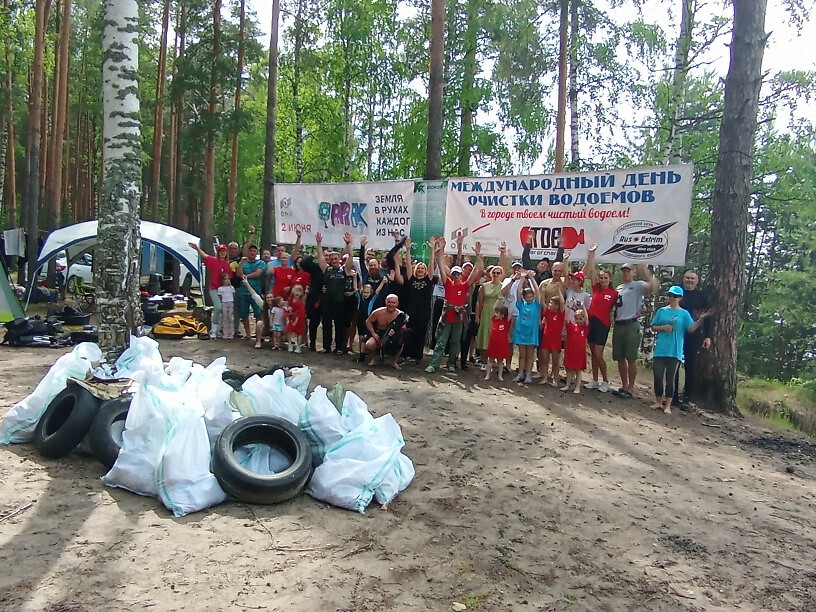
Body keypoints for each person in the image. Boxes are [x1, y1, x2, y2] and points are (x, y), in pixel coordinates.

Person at [425, 239, 484, 373]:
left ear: (461, 275)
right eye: (454, 274)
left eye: (458, 274)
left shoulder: (465, 285)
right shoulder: (448, 283)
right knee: (442, 340)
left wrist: (479, 257)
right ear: (451, 275)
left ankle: (451, 363)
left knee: (456, 341)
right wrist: (441, 249)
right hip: (448, 314)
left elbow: (474, 272)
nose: (456, 276)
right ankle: (434, 364)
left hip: (460, 316)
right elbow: (440, 266)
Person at [650, 285, 711, 414]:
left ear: (680, 298)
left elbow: (690, 328)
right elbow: (653, 326)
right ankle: (658, 401)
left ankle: (668, 405)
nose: (672, 298)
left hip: (675, 350)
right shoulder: (661, 311)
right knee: (658, 375)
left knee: (671, 378)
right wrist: (663, 328)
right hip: (661, 348)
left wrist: (701, 320)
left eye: (675, 296)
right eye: (670, 295)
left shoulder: (684, 313)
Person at [611, 262, 658, 399]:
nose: (626, 273)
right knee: (619, 357)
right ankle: (624, 386)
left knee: (631, 357)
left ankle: (631, 388)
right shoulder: (619, 288)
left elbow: (654, 287)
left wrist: (646, 271)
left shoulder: (638, 285)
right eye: (624, 271)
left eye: (628, 271)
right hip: (618, 324)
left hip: (631, 324)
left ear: (633, 272)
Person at [392, 237, 437, 364]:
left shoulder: (428, 280)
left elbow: (431, 264)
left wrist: (432, 249)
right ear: (416, 269)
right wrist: (407, 249)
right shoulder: (411, 279)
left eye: (423, 268)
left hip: (424, 311)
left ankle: (417, 356)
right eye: (419, 267)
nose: (421, 269)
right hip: (411, 310)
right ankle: (405, 355)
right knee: (409, 331)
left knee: (420, 332)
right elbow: (407, 265)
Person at [672, 270, 713, 410]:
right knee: (674, 364)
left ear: (697, 281)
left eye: (692, 278)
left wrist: (708, 336)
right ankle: (673, 396)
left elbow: (708, 317)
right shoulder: (677, 292)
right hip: (676, 333)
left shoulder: (702, 296)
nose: (689, 280)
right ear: (683, 279)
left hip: (694, 334)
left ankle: (687, 398)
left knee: (690, 365)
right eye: (687, 278)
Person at [583, 244, 618, 392]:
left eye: (605, 278)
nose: (603, 280)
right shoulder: (596, 289)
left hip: (603, 324)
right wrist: (592, 255)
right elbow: (592, 270)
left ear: (610, 279)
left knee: (598, 354)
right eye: (601, 278)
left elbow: (621, 307)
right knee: (593, 354)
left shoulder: (614, 293)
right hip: (592, 322)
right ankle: (595, 380)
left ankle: (606, 381)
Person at [316, 231, 355, 354]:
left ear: (339, 259)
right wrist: (319, 243)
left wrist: (348, 244)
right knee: (326, 325)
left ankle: (339, 347)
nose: (333, 260)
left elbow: (351, 258)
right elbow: (321, 257)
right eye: (332, 259)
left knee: (340, 326)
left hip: (340, 302)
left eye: (335, 258)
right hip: (327, 302)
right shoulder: (327, 269)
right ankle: (326, 347)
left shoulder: (345, 270)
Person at [188, 241, 232, 338]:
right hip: (214, 288)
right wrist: (197, 248)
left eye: (224, 251)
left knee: (224, 309)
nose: (222, 253)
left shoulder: (227, 264)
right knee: (219, 307)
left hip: (224, 290)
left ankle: (221, 329)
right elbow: (204, 255)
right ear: (218, 253)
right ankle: (213, 330)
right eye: (220, 251)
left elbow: (230, 277)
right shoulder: (213, 260)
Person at [508, 272, 540, 384]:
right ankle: (520, 373)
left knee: (530, 355)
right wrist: (522, 278)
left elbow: (537, 290)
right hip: (521, 332)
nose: (530, 297)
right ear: (524, 297)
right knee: (522, 355)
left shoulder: (536, 304)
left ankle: (528, 375)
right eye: (527, 296)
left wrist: (531, 278)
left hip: (531, 333)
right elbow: (518, 291)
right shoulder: (521, 304)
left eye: (531, 296)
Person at [364, 294, 408, 369]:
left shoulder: (401, 315)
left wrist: (395, 333)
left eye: (393, 303)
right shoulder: (378, 312)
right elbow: (368, 321)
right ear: (385, 302)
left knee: (401, 342)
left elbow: (403, 329)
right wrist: (374, 334)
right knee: (369, 345)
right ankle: (375, 357)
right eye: (389, 302)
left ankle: (394, 362)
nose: (391, 304)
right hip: (379, 333)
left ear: (397, 304)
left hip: (393, 334)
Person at [475, 265, 506, 366]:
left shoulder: (504, 286)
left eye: (498, 273)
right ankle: (484, 361)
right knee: (485, 336)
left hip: (498, 314)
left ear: (501, 275)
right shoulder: (484, 286)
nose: (496, 275)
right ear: (490, 273)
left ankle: (496, 361)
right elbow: (479, 302)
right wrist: (477, 316)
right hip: (486, 313)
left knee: (496, 337)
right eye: (494, 273)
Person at [237, 241, 267, 340]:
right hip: (243, 291)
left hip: (256, 291)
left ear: (257, 253)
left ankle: (259, 333)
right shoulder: (244, 263)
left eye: (255, 251)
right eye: (251, 251)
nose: (253, 253)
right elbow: (238, 274)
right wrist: (241, 263)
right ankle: (248, 334)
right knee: (244, 313)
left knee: (258, 313)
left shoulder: (260, 263)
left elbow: (258, 273)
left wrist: (246, 276)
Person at [538, 295, 565, 387]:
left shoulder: (561, 314)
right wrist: (543, 291)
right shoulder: (548, 312)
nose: (549, 304)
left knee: (555, 362)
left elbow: (562, 303)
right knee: (545, 360)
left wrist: (559, 291)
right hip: (546, 339)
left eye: (551, 303)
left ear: (557, 305)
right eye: (549, 302)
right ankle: (545, 378)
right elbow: (542, 302)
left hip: (556, 341)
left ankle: (555, 379)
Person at [562, 309, 590, 394]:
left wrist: (583, 307)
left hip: (579, 353)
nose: (578, 320)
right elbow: (566, 319)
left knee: (578, 370)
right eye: (577, 318)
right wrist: (569, 308)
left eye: (580, 319)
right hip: (571, 351)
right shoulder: (572, 326)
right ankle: (567, 385)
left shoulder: (585, 328)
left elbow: (587, 318)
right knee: (569, 370)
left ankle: (577, 387)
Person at [483, 304, 511, 382]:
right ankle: (487, 374)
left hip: (501, 345)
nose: (495, 314)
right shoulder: (494, 320)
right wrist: (498, 300)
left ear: (502, 315)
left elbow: (510, 314)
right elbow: (494, 307)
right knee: (490, 360)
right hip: (493, 344)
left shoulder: (506, 322)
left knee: (500, 361)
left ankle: (500, 376)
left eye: (497, 313)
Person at [285, 284, 306, 353]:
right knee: (289, 330)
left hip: (299, 319)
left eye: (299, 292)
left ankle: (298, 346)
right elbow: (289, 309)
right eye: (296, 291)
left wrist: (296, 321)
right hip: (291, 318)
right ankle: (290, 344)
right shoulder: (290, 300)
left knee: (299, 332)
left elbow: (300, 313)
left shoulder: (300, 302)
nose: (297, 293)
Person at [216, 272, 235, 339]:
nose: (227, 280)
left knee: (230, 317)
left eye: (228, 279)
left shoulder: (231, 288)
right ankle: (225, 332)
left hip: (230, 303)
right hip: (224, 303)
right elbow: (220, 297)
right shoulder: (220, 289)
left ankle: (231, 332)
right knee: (225, 318)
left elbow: (233, 295)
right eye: (225, 279)